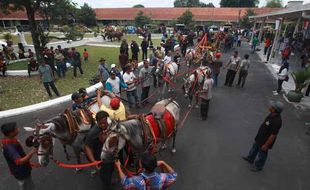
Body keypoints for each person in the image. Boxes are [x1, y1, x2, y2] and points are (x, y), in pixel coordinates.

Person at [242, 101, 283, 172]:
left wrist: (266, 145)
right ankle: (250, 158)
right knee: (254, 148)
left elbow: (273, 135)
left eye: (271, 106)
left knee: (262, 154)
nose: (269, 107)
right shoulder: (272, 115)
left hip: (265, 141)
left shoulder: (277, 121)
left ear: (274, 109)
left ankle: (258, 166)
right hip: (260, 137)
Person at [1, 122, 37, 190]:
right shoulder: (9, 147)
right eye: (16, 129)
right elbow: (19, 161)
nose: (18, 129)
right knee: (26, 185)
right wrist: (32, 152)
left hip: (19, 169)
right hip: (21, 171)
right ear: (11, 133)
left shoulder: (7, 140)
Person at [84, 111, 115, 190]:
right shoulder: (92, 133)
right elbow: (87, 147)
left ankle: (109, 180)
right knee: (105, 176)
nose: (103, 125)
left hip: (110, 156)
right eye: (101, 123)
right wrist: (94, 161)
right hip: (101, 160)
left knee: (111, 170)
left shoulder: (110, 126)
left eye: (105, 123)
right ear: (97, 121)